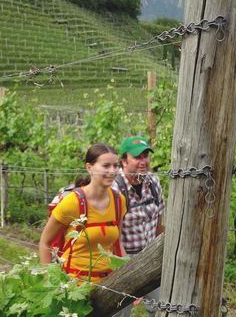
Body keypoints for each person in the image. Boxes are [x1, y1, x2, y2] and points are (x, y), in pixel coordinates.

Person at [39, 143, 127, 283]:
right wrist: (50, 281)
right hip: (75, 285)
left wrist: (126, 278)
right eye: (106, 166)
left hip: (109, 284)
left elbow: (117, 243)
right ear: (89, 168)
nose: (112, 171)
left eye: (115, 166)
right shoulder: (73, 202)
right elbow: (45, 242)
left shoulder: (118, 201)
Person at [113, 136, 165, 317]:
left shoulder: (153, 181)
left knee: (161, 308)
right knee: (120, 311)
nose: (143, 162)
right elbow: (114, 235)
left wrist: (162, 254)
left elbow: (159, 220)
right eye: (137, 157)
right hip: (124, 259)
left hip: (152, 255)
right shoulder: (115, 187)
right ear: (124, 161)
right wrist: (127, 270)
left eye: (145, 156)